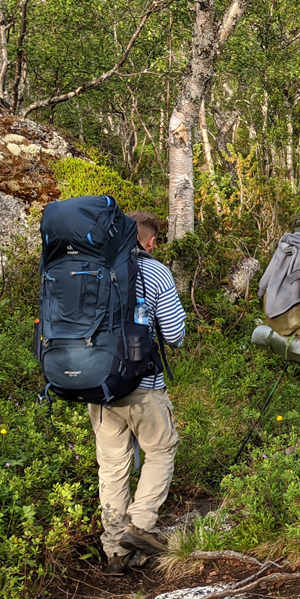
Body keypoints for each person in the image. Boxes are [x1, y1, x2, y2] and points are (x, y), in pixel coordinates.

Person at [89, 211, 187, 575]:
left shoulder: (92, 268)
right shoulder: (156, 271)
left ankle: (115, 550)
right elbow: (175, 336)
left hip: (98, 386)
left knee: (113, 467)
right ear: (150, 241)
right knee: (161, 449)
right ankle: (140, 525)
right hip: (142, 385)